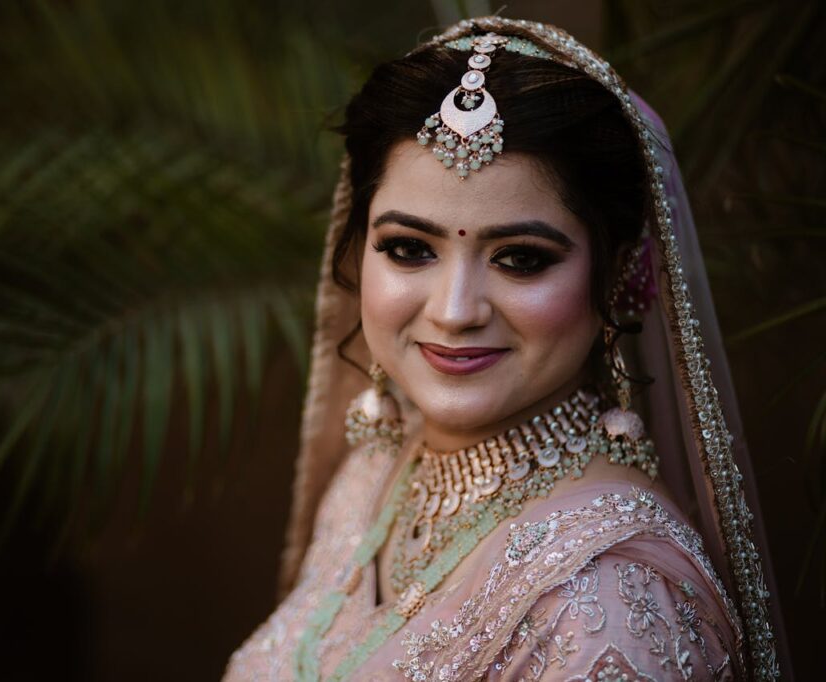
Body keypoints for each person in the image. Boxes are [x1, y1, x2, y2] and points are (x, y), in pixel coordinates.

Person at [224, 16, 788, 681]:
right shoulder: (368, 482)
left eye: (520, 259)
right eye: (410, 249)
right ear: (356, 255)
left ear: (615, 274)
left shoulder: (608, 599)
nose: (454, 311)